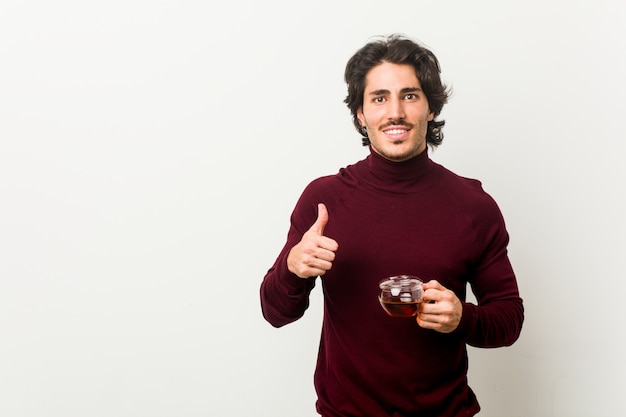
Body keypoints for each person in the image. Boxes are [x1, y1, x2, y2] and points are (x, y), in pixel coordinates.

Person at [260, 34, 524, 417]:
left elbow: (509, 318)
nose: (395, 111)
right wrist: (292, 269)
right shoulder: (324, 201)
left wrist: (461, 317)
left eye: (411, 96)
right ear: (361, 114)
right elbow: (275, 312)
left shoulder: (473, 206)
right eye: (379, 98)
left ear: (431, 108)